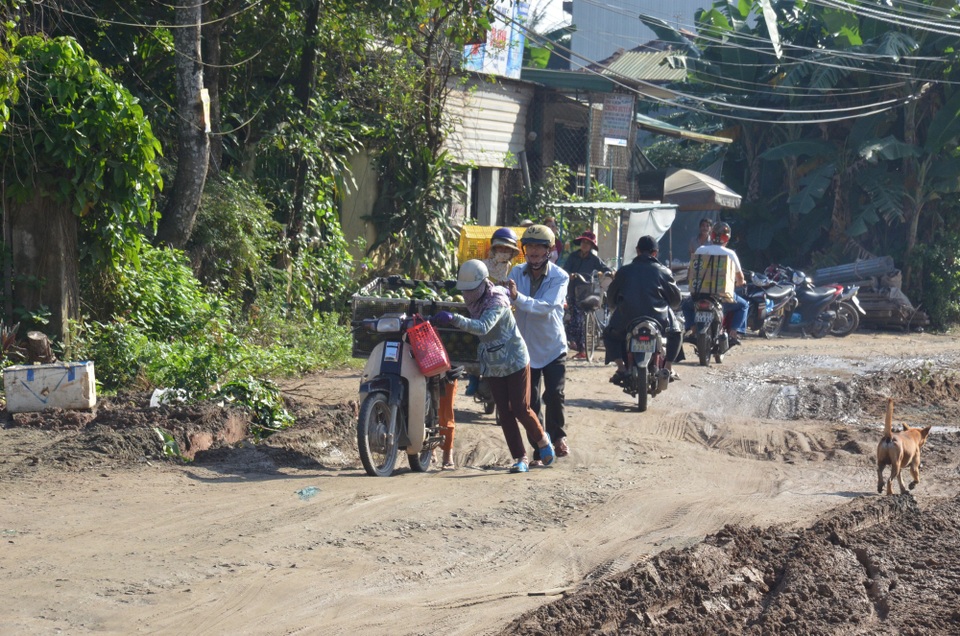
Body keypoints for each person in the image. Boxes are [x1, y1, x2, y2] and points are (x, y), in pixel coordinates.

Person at [432, 259, 556, 473]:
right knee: (505, 413)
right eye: (465, 291)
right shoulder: (474, 302)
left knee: (520, 408)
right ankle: (520, 458)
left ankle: (543, 441)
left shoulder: (497, 299)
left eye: (471, 290)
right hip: (492, 364)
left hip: (514, 359)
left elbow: (483, 326)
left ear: (483, 284)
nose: (467, 295)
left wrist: (453, 318)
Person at [507, 224, 571, 463]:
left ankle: (559, 437)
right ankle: (540, 447)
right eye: (530, 246)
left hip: (553, 346)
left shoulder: (560, 276)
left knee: (554, 395)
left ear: (549, 250)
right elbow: (507, 301)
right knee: (530, 402)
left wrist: (517, 298)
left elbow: (546, 307)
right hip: (524, 348)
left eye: (539, 246)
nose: (533, 251)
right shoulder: (515, 273)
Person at [603, 235, 683, 384]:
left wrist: (615, 308)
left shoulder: (624, 271)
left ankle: (620, 367)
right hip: (659, 319)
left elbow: (611, 297)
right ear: (655, 253)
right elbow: (675, 300)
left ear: (637, 251)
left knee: (609, 333)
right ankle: (668, 367)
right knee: (676, 333)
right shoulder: (664, 272)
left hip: (626, 319)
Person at [465, 227, 521, 397]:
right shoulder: (481, 265)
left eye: (507, 250)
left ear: (512, 253)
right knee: (474, 339)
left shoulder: (515, 270)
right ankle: (473, 377)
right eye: (500, 248)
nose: (503, 252)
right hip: (482, 309)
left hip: (505, 312)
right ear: (494, 249)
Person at [683, 221, 749, 345]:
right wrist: (741, 282)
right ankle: (734, 333)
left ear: (712, 235)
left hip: (699, 295)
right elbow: (740, 277)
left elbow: (691, 271)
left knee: (686, 305)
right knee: (744, 305)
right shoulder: (730, 253)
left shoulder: (700, 250)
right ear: (727, 238)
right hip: (722, 297)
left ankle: (693, 330)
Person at [562, 230, 611, 360]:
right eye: (583, 242)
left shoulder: (594, 259)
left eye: (588, 243)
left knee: (582, 319)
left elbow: (605, 268)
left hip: (587, 291)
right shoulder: (573, 257)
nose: (584, 245)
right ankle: (579, 346)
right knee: (575, 319)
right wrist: (569, 275)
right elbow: (565, 270)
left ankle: (583, 349)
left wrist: (609, 273)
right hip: (572, 291)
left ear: (591, 246)